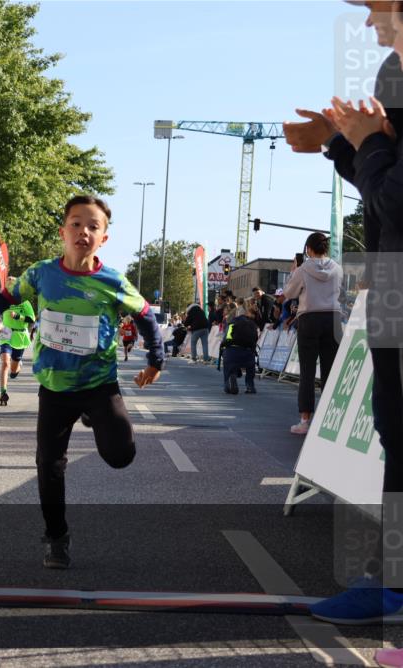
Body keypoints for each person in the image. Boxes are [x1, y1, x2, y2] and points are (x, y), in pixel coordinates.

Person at [0, 195, 163, 569]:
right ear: (63, 232)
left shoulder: (113, 281)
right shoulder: (42, 274)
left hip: (98, 384)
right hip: (55, 388)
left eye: (93, 226)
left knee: (120, 455)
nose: (84, 232)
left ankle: (93, 416)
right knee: (49, 463)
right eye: (76, 224)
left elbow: (146, 317)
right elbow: (3, 299)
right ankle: (56, 537)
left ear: (104, 239)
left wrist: (156, 359)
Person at [300, 1, 403, 638]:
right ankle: (395, 584)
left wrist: (362, 144)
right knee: (397, 435)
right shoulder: (393, 72)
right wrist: (339, 143)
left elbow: (395, 194)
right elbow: (383, 183)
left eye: (378, 5)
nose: (370, 23)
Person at [283, 232, 344, 435]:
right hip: (334, 318)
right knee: (330, 371)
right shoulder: (337, 268)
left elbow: (289, 293)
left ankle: (305, 420)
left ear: (308, 249)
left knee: (308, 372)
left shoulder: (303, 268)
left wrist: (294, 273)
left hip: (310, 317)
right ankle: (327, 419)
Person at [0, 300, 36, 406]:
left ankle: (18, 366)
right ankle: (3, 392)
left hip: (19, 337)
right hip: (6, 334)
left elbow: (32, 319)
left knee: (13, 371)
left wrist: (19, 317)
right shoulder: (4, 300)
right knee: (5, 363)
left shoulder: (25, 302)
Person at [220, 301, 260, 394]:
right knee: (250, 367)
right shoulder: (252, 325)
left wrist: (223, 345)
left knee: (228, 363)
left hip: (232, 352)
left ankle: (229, 382)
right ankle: (250, 386)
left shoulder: (232, 323)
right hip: (248, 353)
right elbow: (255, 339)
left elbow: (228, 337)